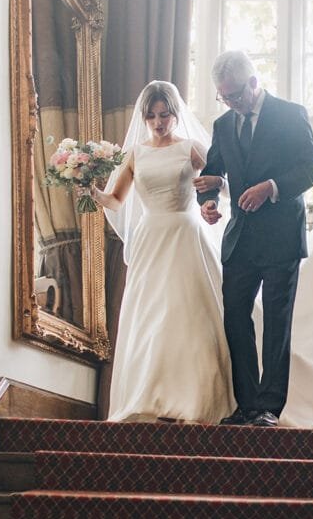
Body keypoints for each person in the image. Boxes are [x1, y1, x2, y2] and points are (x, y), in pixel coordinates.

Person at [93, 81, 234, 423]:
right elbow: (116, 200)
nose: (158, 121)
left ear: (175, 113)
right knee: (151, 316)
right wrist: (91, 190)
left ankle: (195, 398)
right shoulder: (135, 154)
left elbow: (220, 184)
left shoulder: (191, 148)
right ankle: (150, 397)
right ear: (144, 117)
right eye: (152, 115)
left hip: (185, 234)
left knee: (188, 313)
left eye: (165, 114)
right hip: (151, 238)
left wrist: (211, 202)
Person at [196, 51, 313, 427]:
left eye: (235, 94)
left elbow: (312, 168)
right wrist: (207, 203)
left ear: (253, 83)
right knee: (235, 317)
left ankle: (269, 407)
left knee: (277, 323)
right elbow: (212, 172)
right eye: (224, 97)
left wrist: (272, 187)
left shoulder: (290, 114)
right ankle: (247, 404)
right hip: (240, 239)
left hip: (282, 236)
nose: (231, 103)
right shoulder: (222, 125)